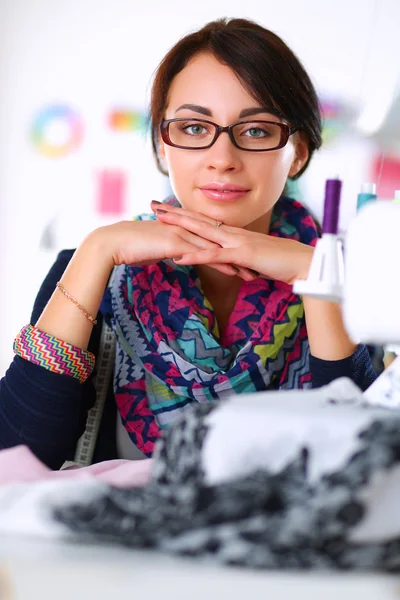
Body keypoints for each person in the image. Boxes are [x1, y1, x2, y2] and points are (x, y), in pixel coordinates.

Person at [0, 18, 376, 470]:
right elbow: (17, 459)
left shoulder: (358, 282)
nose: (223, 159)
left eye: (256, 130)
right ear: (163, 146)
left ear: (296, 151)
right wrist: (97, 249)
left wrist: (316, 275)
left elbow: (360, 467)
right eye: (195, 128)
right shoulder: (90, 269)